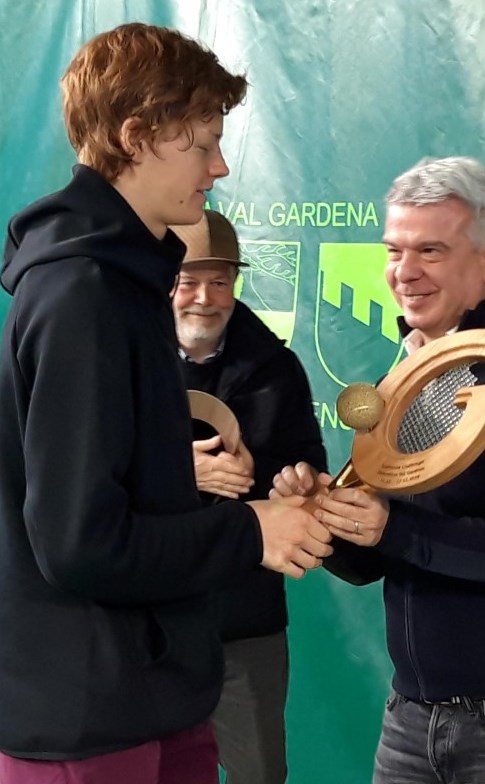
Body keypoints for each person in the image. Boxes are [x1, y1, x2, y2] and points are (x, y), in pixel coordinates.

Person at [0, 23, 331, 784]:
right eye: (203, 143)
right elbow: (79, 543)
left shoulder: (132, 284)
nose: (220, 166)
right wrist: (249, 529)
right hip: (87, 716)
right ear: (136, 137)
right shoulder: (80, 295)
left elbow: (128, 487)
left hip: (160, 693)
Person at [274, 156, 485, 784]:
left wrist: (392, 528)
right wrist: (331, 517)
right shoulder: (398, 383)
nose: (405, 271)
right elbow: (370, 564)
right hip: (410, 720)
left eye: (430, 250)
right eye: (394, 250)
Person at [169, 209, 328, 784]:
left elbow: (308, 471)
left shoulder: (276, 368)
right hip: (148, 618)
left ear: (235, 283)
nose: (204, 299)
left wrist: (294, 486)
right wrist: (182, 473)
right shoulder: (127, 360)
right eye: (188, 281)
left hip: (244, 618)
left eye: (219, 281)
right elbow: (96, 476)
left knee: (259, 772)